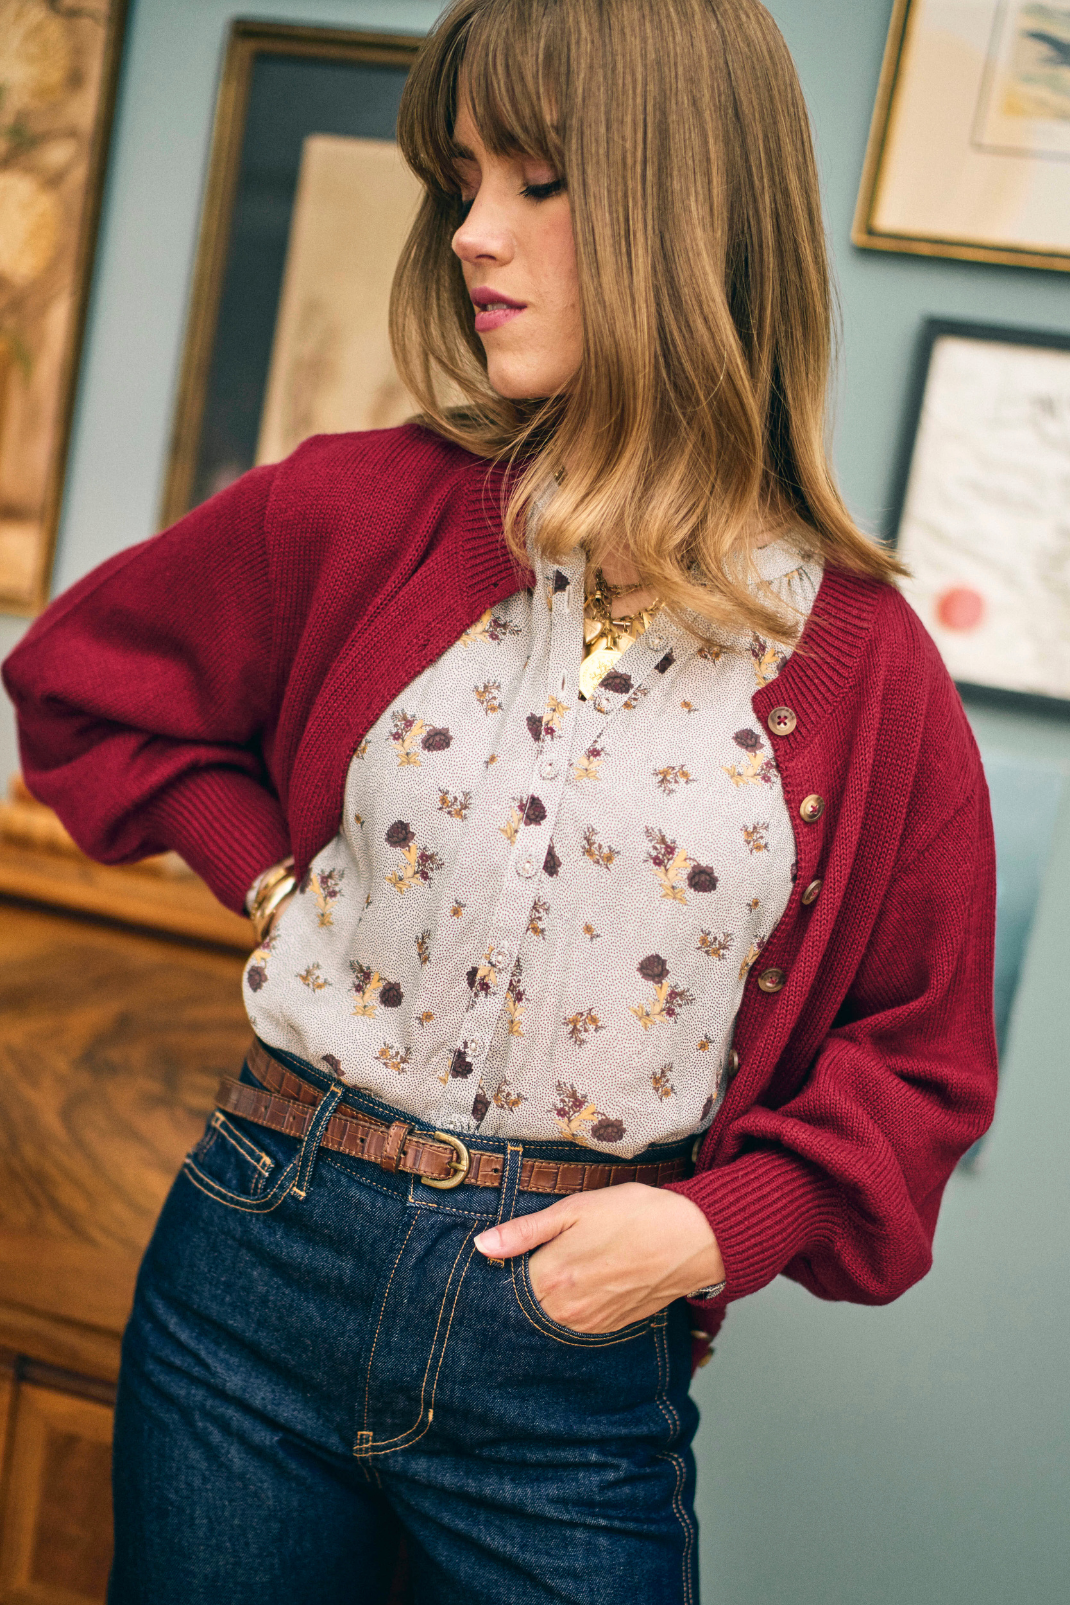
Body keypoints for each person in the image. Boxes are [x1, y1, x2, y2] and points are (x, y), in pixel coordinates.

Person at [2, 1, 998, 1601]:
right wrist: (272, 881)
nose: (472, 232)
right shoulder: (355, 508)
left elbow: (922, 1058)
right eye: (458, 179)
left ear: (689, 205)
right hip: (255, 1259)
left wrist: (710, 1232)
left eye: (536, 179)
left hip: (571, 1368)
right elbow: (83, 680)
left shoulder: (868, 670)